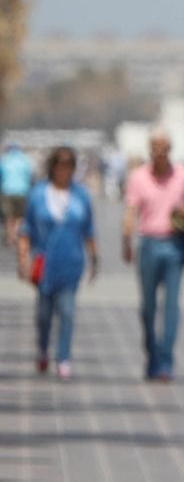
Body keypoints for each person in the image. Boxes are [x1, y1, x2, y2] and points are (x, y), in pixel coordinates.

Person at [123, 131, 184, 382]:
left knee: (171, 306)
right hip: (149, 244)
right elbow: (131, 209)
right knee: (148, 307)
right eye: (155, 147)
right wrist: (126, 239)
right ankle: (151, 356)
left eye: (164, 147)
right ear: (149, 149)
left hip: (174, 244)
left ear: (170, 149)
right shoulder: (138, 177)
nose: (159, 152)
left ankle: (165, 362)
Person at [18, 146, 97, 379]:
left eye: (69, 164)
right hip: (44, 264)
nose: (64, 169)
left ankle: (63, 357)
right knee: (43, 314)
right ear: (52, 166)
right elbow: (26, 229)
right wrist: (23, 258)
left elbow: (89, 230)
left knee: (67, 312)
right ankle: (43, 349)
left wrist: (95, 259)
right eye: (60, 164)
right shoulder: (38, 194)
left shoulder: (81, 195)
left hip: (71, 262)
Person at [1, 142, 34, 247]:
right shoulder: (25, 160)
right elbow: (30, 176)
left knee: (8, 216)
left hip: (7, 190)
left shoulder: (5, 160)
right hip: (22, 191)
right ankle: (16, 234)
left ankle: (10, 237)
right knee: (19, 216)